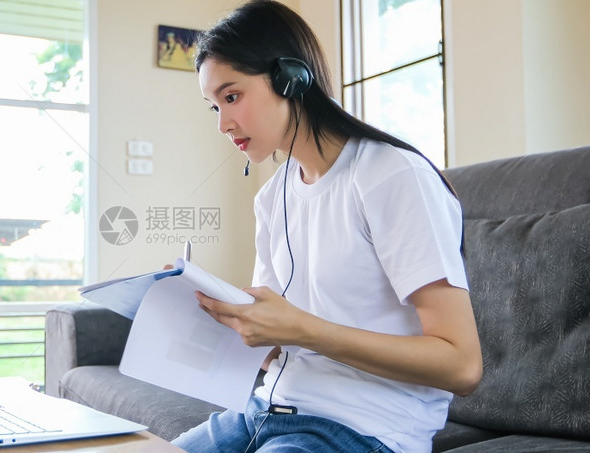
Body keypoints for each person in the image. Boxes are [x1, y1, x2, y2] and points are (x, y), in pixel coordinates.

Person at [171, 1, 483, 452]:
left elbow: (462, 366)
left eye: (232, 96)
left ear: (289, 78)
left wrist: (301, 328)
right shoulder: (271, 197)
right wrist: (217, 315)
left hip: (365, 428)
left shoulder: (390, 175)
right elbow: (277, 342)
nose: (223, 124)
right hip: (264, 412)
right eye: (213, 107)